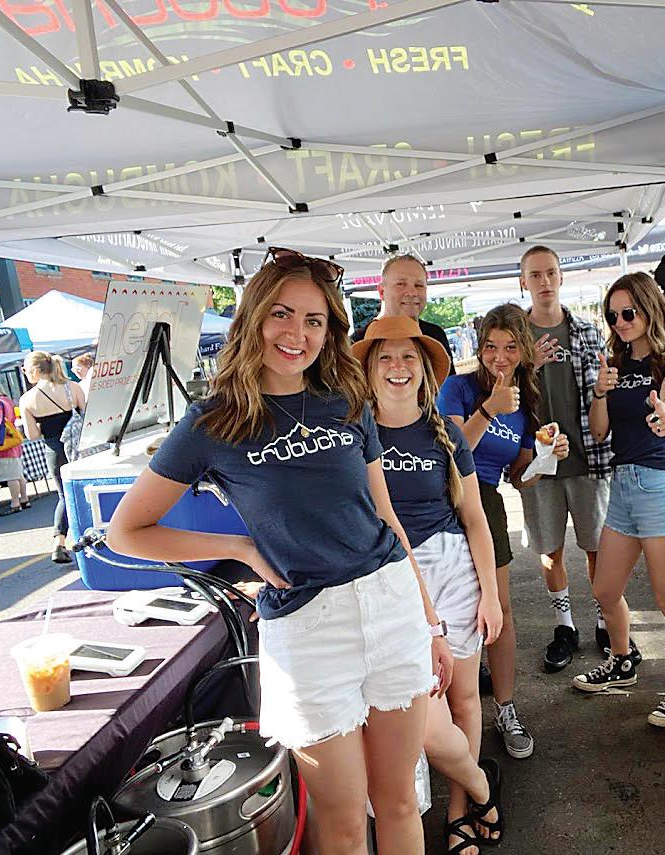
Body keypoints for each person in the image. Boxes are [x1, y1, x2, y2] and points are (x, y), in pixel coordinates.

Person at [105, 248, 452, 852]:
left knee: (399, 800)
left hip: (391, 604)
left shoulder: (347, 397)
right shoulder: (214, 421)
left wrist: (431, 623)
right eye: (281, 314)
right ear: (254, 318)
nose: (297, 334)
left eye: (314, 320)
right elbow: (126, 531)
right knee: (343, 822)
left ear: (330, 329)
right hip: (308, 631)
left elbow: (386, 516)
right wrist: (240, 547)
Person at [353, 316, 504, 854]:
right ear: (369, 369)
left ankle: (460, 810)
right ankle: (479, 787)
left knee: (464, 699)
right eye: (385, 357)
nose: (397, 368)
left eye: (408, 357)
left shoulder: (445, 434)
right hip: (390, 579)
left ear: (423, 369)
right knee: (418, 716)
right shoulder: (352, 435)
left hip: (452, 570)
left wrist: (490, 594)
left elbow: (475, 519)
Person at [573, 272, 665, 729]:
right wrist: (600, 391)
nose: (621, 322)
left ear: (650, 308)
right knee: (604, 590)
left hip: (660, 486)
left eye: (629, 312)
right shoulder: (615, 364)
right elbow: (599, 432)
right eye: (613, 316)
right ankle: (622, 659)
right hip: (623, 488)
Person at [438, 304, 569, 759]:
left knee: (499, 610)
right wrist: (489, 410)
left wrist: (547, 457)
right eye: (491, 346)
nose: (500, 356)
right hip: (444, 501)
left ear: (523, 351)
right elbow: (453, 454)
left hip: (489, 503)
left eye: (511, 346)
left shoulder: (525, 402)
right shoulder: (458, 388)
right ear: (479, 349)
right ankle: (442, 714)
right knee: (441, 611)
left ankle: (506, 708)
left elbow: (520, 476)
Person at [519, 245, 614, 672]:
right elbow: (500, 390)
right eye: (535, 275)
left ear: (561, 277)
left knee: (596, 548)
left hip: (588, 459)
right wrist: (528, 364)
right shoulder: (516, 336)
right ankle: (564, 626)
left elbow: (601, 393)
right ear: (523, 282)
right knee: (549, 550)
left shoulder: (587, 332)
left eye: (550, 273)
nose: (544, 282)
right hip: (538, 465)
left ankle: (604, 620)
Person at [19, 352, 84, 564]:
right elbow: (86, 414)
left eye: (25, 369)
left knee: (64, 496)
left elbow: (32, 435)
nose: (25, 373)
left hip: (54, 449)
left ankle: (59, 543)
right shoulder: (72, 387)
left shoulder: (28, 399)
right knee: (87, 489)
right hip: (80, 445)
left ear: (35, 370)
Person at [351, 254, 456, 376]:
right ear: (381, 291)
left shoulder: (435, 335)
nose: (412, 292)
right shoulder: (357, 344)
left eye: (419, 285)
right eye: (401, 284)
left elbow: (450, 385)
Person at [0, 383, 28, 516]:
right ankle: (24, 499)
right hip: (13, 441)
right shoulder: (7, 401)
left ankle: (15, 503)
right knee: (18, 474)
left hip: (3, 444)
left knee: (11, 476)